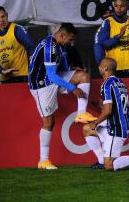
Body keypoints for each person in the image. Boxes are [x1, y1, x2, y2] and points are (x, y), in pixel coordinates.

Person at [28, 23, 97, 170]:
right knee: (49, 122)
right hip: (42, 85)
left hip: (53, 78)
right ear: (62, 35)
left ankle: (81, 114)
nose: (70, 42)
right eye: (69, 39)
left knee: (83, 76)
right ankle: (43, 160)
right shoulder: (50, 47)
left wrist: (71, 72)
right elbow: (52, 75)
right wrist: (72, 88)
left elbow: (61, 67)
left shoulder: (59, 45)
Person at [83, 58, 129, 171]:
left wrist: (95, 123)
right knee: (87, 129)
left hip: (116, 127)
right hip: (119, 123)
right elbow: (116, 105)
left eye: (101, 66)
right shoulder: (120, 82)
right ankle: (101, 161)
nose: (99, 67)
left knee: (109, 166)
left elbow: (108, 111)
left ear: (105, 68)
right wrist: (99, 106)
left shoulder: (106, 84)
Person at [99, 0, 129, 78]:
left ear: (128, 7)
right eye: (116, 6)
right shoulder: (108, 22)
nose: (118, 9)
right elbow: (103, 44)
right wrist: (119, 36)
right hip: (113, 69)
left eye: (122, 6)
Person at [0, 6, 35, 83]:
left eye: (3, 16)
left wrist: (32, 70)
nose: (1, 20)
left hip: (21, 77)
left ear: (7, 15)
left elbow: (31, 47)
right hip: (5, 79)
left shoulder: (17, 29)